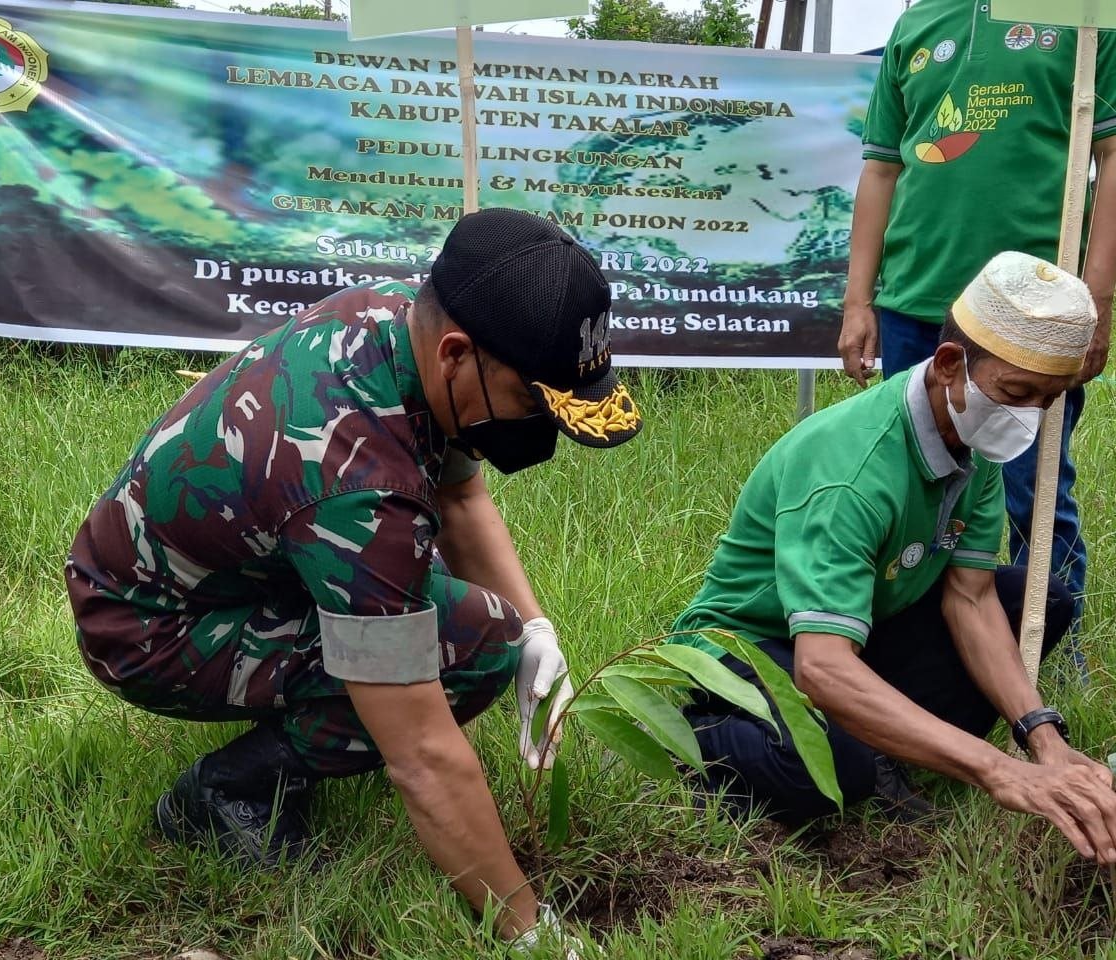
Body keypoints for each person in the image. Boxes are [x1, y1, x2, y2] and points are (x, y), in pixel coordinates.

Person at [65, 208, 641, 949]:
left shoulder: (398, 322)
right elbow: (424, 758)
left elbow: (461, 495)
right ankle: (227, 792)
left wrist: (538, 630)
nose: (539, 428)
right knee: (470, 650)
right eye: (533, 402)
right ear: (459, 355)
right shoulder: (356, 484)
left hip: (232, 568)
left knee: (480, 618)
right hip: (147, 629)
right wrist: (532, 932)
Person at [673, 252, 1116, 865]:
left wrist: (1043, 738)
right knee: (832, 775)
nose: (1030, 416)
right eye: (1019, 392)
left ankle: (881, 742)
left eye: (1049, 399)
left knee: (1038, 600)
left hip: (864, 623)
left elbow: (971, 597)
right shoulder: (850, 473)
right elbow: (822, 667)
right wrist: (997, 771)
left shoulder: (975, 438)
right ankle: (683, 732)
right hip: (750, 644)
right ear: (949, 364)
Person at [838, 0, 1116, 655]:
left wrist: (1096, 299)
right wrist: (859, 301)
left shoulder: (1080, 16)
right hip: (912, 301)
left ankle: (1049, 646)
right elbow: (881, 169)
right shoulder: (915, 24)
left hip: (1032, 313)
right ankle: (913, 645)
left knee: (1031, 488)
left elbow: (1111, 159)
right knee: (906, 484)